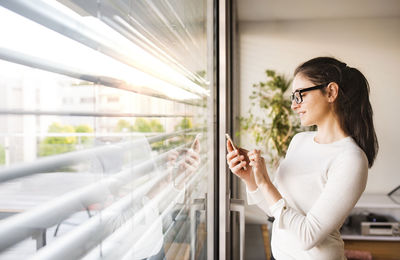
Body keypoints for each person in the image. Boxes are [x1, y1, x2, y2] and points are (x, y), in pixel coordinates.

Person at [226, 57, 378, 259]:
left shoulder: (351, 159)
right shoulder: (299, 141)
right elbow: (278, 212)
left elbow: (308, 235)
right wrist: (250, 178)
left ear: (331, 92)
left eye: (300, 95)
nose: (294, 105)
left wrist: (265, 182)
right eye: (293, 97)